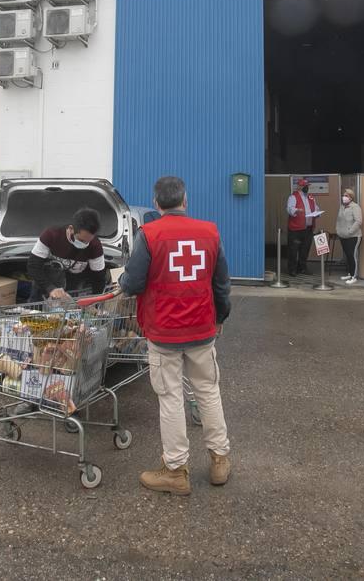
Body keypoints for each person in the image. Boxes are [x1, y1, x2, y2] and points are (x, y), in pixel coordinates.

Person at [119, 175, 232, 495]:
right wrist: (220, 316)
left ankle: (175, 470)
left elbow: (134, 282)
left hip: (164, 332)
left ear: (156, 203)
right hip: (202, 329)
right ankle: (220, 460)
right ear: (185, 200)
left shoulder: (149, 234)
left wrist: (123, 282)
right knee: (208, 392)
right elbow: (221, 283)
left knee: (170, 399)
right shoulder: (210, 232)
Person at [27, 207, 110, 299]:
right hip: (45, 282)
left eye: (88, 241)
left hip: (75, 286)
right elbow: (33, 266)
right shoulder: (51, 235)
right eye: (81, 240)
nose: (84, 244)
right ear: (71, 229)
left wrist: (95, 302)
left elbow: (98, 279)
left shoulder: (95, 245)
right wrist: (50, 288)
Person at [285, 178, 320, 276]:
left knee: (305, 249)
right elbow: (289, 208)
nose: (307, 188)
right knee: (293, 249)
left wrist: (317, 213)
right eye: (305, 186)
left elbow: (316, 207)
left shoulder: (311, 197)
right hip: (296, 229)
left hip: (308, 228)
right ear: (299, 186)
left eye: (307, 186)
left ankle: (302, 268)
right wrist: (296, 210)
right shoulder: (293, 197)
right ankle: (292, 269)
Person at [335, 187, 363, 285]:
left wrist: (350, 231)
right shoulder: (342, 206)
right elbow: (339, 220)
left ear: (351, 197)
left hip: (354, 236)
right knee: (347, 255)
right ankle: (350, 273)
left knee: (352, 256)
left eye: (346, 196)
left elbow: (358, 221)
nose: (344, 197)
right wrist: (338, 230)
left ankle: (354, 276)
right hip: (343, 236)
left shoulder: (355, 207)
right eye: (343, 195)